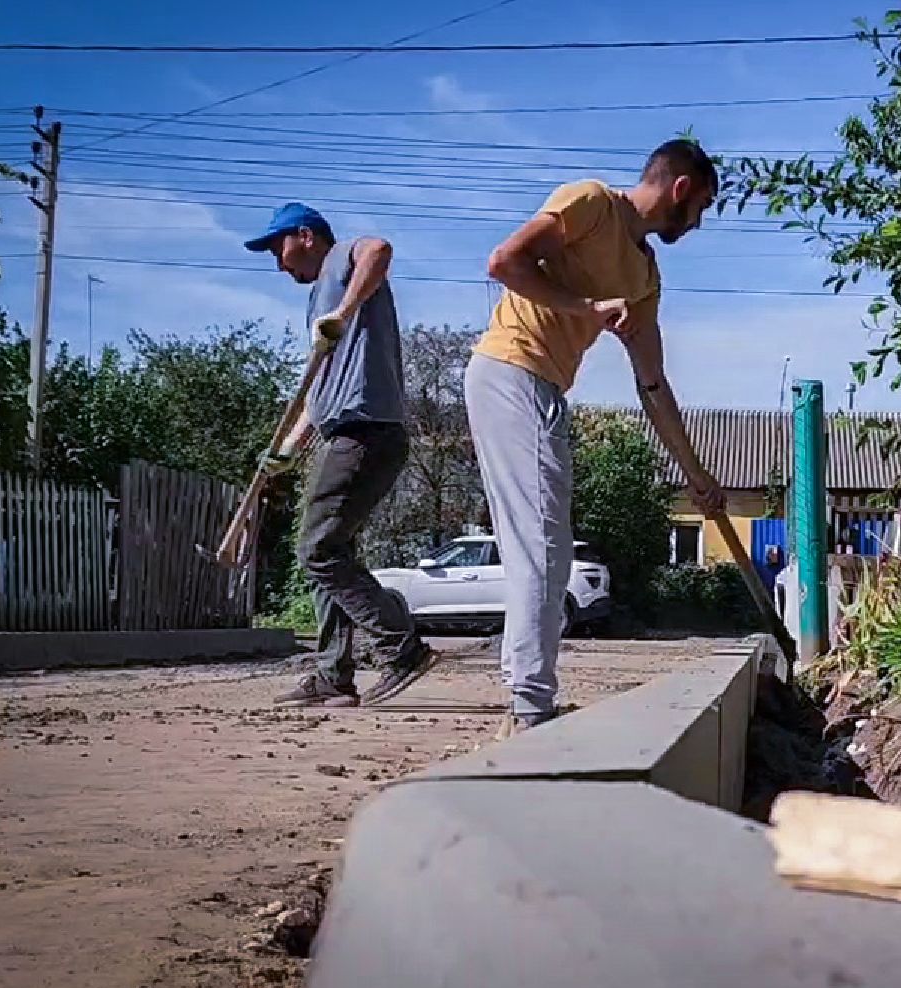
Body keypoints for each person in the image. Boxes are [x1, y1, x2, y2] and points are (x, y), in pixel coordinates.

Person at [467, 140, 726, 729]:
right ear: (680, 189)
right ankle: (531, 706)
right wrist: (587, 306)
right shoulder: (589, 203)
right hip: (509, 370)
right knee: (543, 544)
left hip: (544, 388)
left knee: (541, 544)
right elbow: (504, 262)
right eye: (702, 207)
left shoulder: (644, 276)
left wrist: (696, 474)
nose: (699, 222)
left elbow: (652, 384)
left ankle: (525, 691)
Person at [246, 202, 438, 708]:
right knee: (326, 552)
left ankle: (400, 645)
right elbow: (319, 392)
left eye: (278, 248)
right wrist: (287, 451)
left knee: (318, 549)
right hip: (341, 428)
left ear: (305, 236)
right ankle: (334, 673)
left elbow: (379, 249)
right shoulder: (318, 299)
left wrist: (344, 311)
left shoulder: (341, 263)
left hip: (366, 428)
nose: (278, 263)